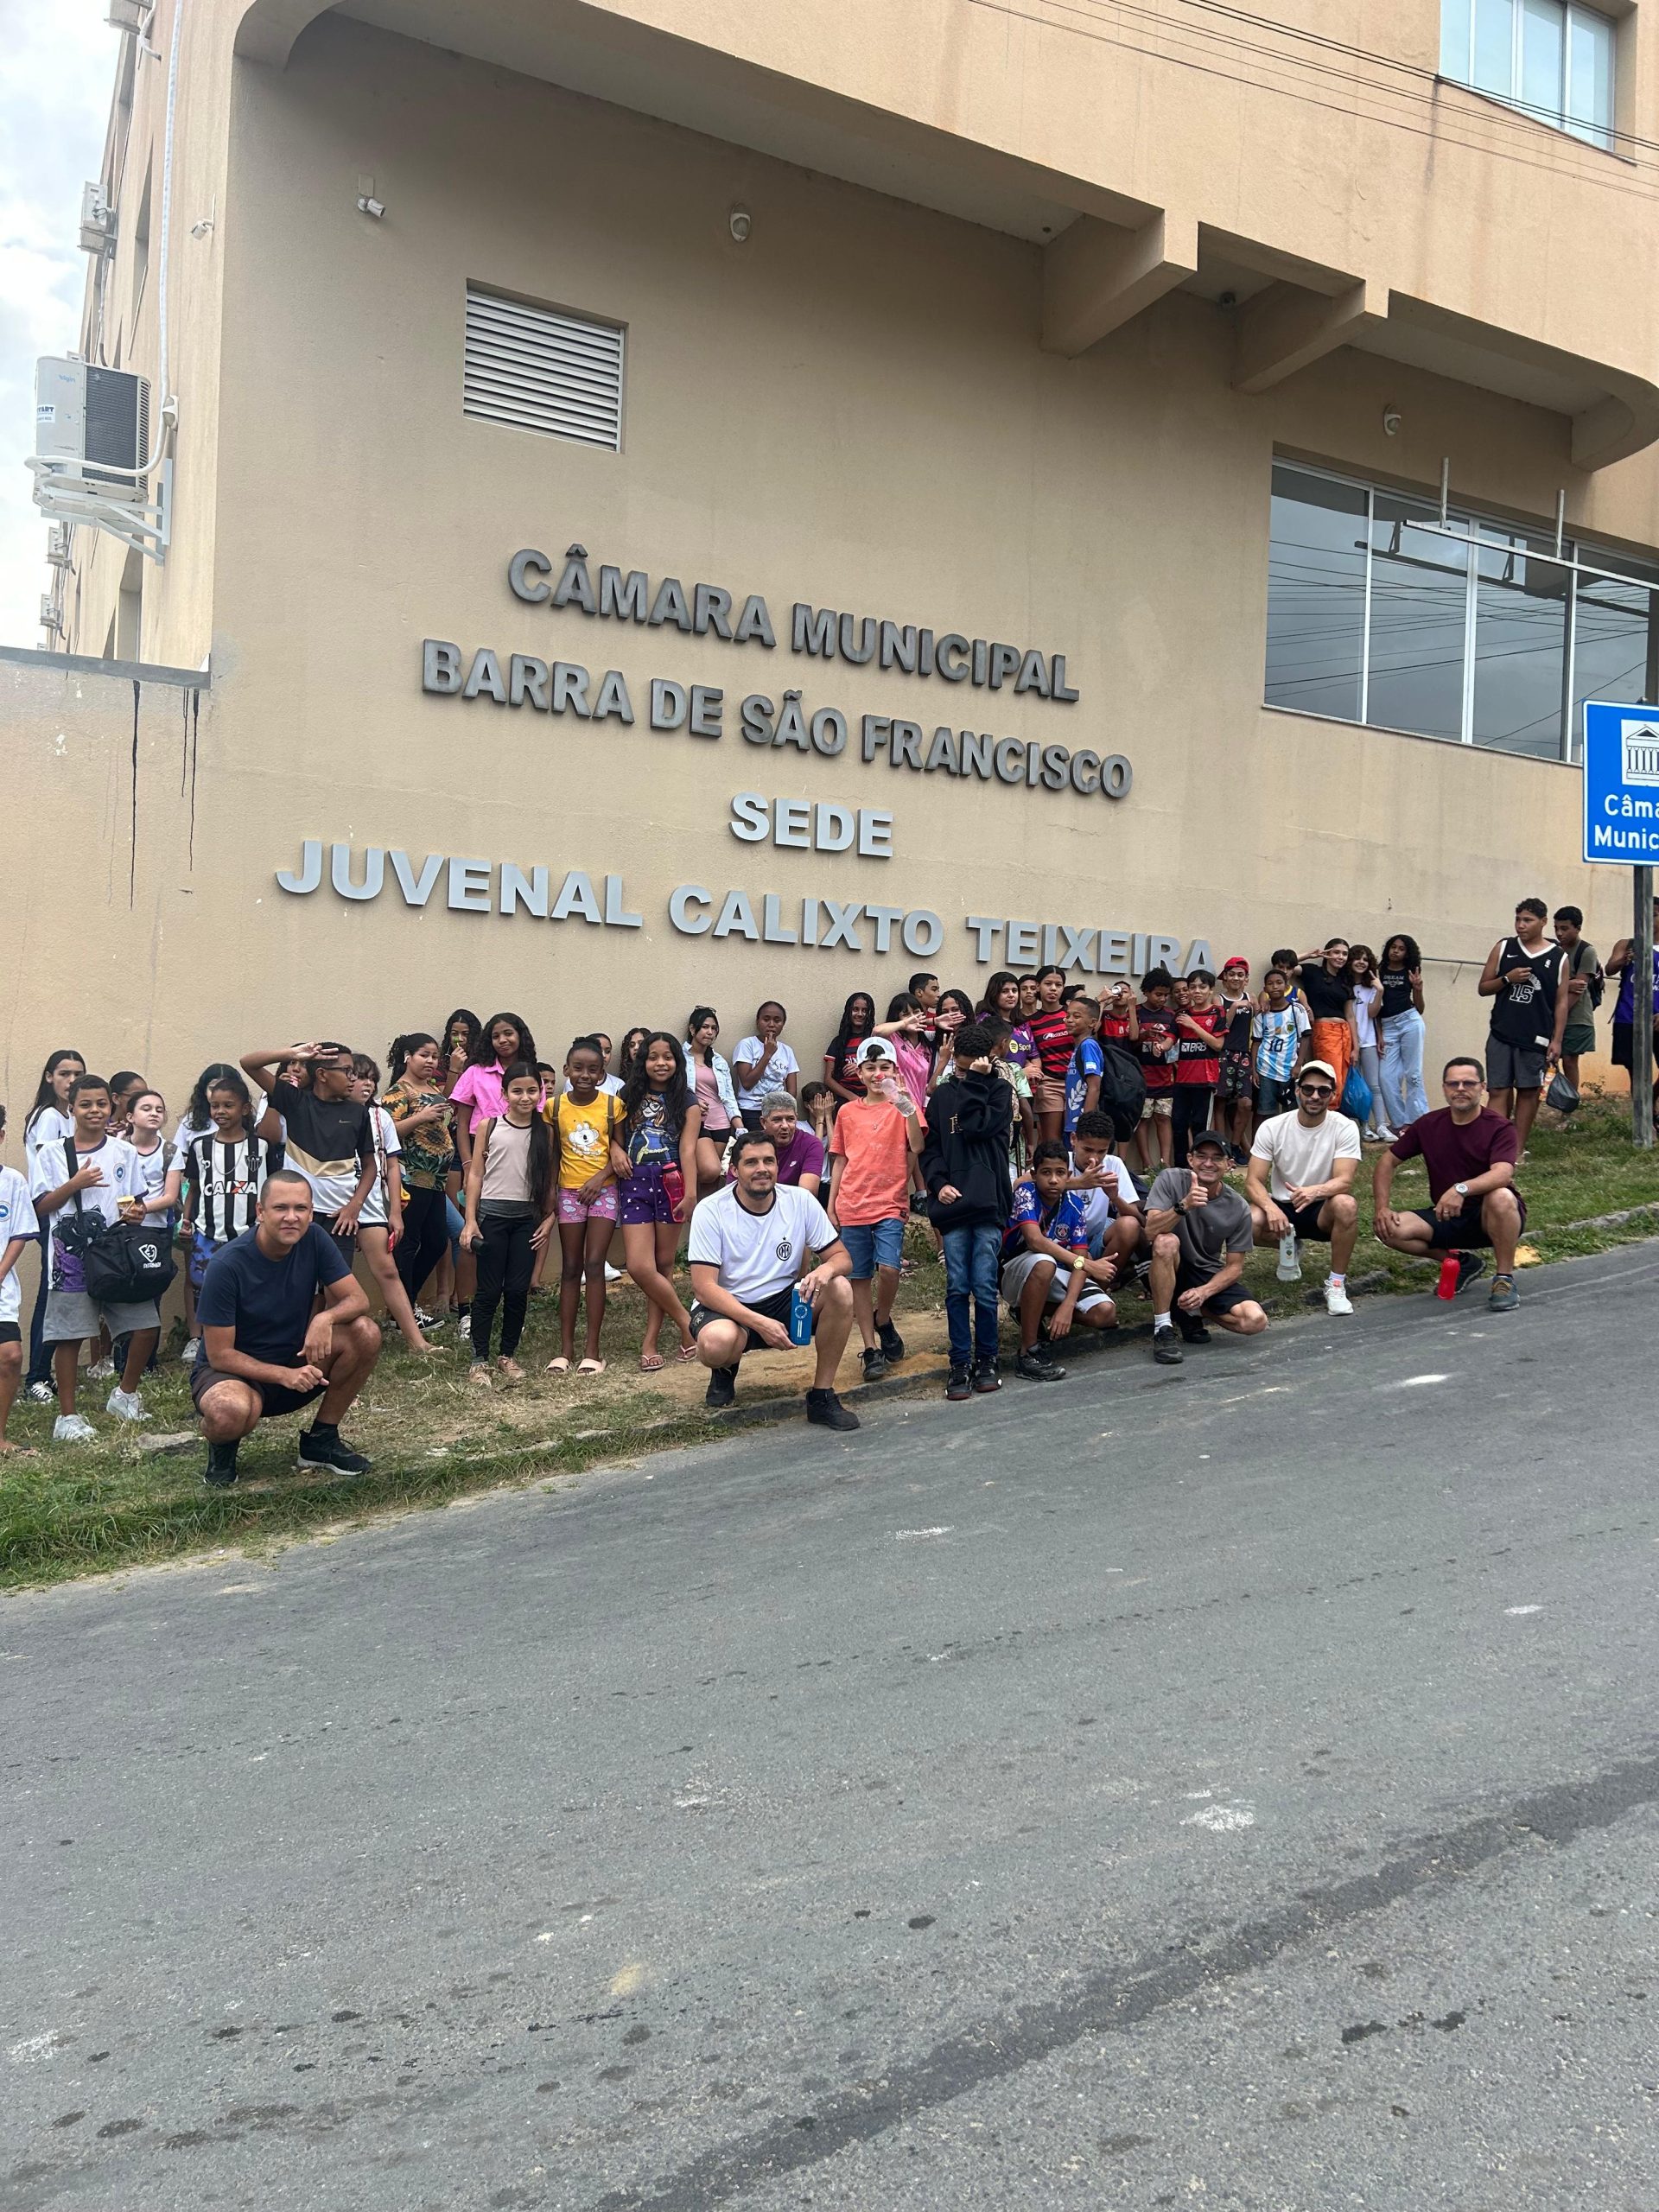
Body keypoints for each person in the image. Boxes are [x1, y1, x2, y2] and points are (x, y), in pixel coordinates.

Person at [191, 1168, 381, 1486]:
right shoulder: (226, 1265)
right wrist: (284, 1375)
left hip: (295, 1361)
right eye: (280, 1208)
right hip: (234, 1374)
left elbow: (358, 1299)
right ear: (260, 1212)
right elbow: (220, 1355)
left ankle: (321, 1440)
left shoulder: (315, 1239)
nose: (291, 1218)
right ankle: (222, 1449)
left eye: (300, 1208)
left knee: (365, 1332)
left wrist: (324, 1318)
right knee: (229, 1413)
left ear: (311, 1213)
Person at [688, 1128, 859, 1429]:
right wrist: (760, 1323)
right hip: (729, 1304)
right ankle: (725, 1368)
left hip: (784, 1298)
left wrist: (825, 1270)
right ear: (733, 1170)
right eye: (751, 1162)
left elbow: (842, 1258)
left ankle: (822, 1396)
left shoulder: (800, 1201)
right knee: (717, 1344)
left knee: (841, 1288)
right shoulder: (711, 1210)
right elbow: (704, 1288)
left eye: (769, 1161)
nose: (762, 1169)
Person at [29, 1073, 161, 1438]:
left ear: (112, 1106)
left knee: (145, 1326)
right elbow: (40, 1206)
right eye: (85, 1104)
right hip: (69, 1260)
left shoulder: (124, 1152)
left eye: (101, 1103)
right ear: (71, 1108)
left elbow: (133, 1201)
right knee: (70, 1337)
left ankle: (125, 1394)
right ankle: (67, 1417)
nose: (95, 1110)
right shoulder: (52, 1153)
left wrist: (136, 1213)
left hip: (117, 1257)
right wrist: (74, 1185)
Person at [1372, 1058, 1527, 1312]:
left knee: (1501, 1196)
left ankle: (1504, 1279)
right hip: (1447, 1215)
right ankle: (1461, 1262)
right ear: (1444, 1088)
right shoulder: (1428, 1125)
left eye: (1469, 1083)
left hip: (1490, 1216)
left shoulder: (1499, 1127)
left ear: (1483, 1087)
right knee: (1389, 1229)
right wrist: (1382, 1208)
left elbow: (1502, 1174)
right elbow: (1387, 1162)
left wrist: (1460, 1189)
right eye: (1453, 1084)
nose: (1460, 1089)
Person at [919, 1019, 1014, 1398]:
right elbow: (931, 1149)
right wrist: (938, 1183)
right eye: (959, 1069)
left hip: (988, 1202)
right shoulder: (943, 1097)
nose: (963, 1074)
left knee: (985, 1287)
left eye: (969, 1067)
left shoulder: (1000, 1091)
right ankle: (959, 1362)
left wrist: (975, 1081)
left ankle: (987, 1359)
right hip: (953, 1205)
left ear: (987, 1058)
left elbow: (975, 1127)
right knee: (958, 1286)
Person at [826, 1037, 924, 1382]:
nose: (877, 1074)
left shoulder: (904, 1106)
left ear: (895, 1071)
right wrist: (832, 1205)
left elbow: (917, 1146)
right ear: (860, 1073)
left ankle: (883, 1318)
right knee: (859, 1277)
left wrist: (906, 1105)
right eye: (870, 1068)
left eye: (884, 1068)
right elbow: (840, 1160)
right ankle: (870, 1347)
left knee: (889, 1269)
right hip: (852, 1202)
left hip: (890, 1201)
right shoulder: (847, 1112)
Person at [461, 1061, 556, 1382]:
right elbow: (476, 1175)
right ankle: (479, 1360)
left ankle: (507, 1355)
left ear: (540, 1093)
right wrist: (470, 1220)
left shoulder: (546, 1132)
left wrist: (549, 1218)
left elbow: (550, 1180)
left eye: (532, 1091)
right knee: (488, 1291)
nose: (525, 1097)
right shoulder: (488, 1126)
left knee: (517, 1290)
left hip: (527, 1220)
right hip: (492, 1217)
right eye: (517, 1091)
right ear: (504, 1094)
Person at [1245, 1059, 1362, 1314]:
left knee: (1346, 1204)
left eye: (1323, 1090)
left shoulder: (1345, 1127)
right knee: (1249, 1220)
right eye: (1308, 1089)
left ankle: (1336, 1284)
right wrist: (1270, 1208)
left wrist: (1314, 1191)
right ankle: (1290, 1245)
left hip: (1321, 1207)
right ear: (1298, 1091)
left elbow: (1345, 1180)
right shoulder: (1272, 1127)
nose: (1315, 1096)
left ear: (1333, 1095)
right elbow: (1253, 1180)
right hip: (1283, 1206)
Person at [613, 1031, 702, 1370]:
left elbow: (688, 1150)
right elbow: (614, 1138)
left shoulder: (688, 1101)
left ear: (677, 1062)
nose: (660, 1063)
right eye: (653, 1057)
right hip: (634, 1182)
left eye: (668, 1057)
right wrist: (616, 1149)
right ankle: (687, 1324)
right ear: (643, 1061)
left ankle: (650, 1340)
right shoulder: (627, 1096)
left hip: (671, 1183)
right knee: (640, 1266)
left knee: (663, 1265)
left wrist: (691, 1194)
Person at [240, 1040, 376, 1258]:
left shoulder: (358, 1112)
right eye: (347, 1071)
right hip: (297, 1215)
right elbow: (248, 1063)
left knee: (336, 1279)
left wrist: (355, 1206)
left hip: (339, 1218)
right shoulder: (295, 1101)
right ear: (322, 1075)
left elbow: (370, 1166)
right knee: (293, 1277)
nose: (353, 1078)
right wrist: (292, 1053)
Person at [999, 1141, 1120, 1381]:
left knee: (1105, 1313)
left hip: (1054, 1272)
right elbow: (1035, 1241)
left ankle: (1029, 1310)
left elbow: (1079, 1258)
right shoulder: (1026, 1193)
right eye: (1046, 1173)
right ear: (1034, 1175)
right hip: (1014, 1272)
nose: (1053, 1180)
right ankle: (1028, 1353)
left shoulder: (1075, 1206)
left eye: (1060, 1173)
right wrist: (1087, 1264)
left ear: (1069, 1176)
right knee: (1045, 1261)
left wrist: (1068, 1306)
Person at [1143, 1130, 1268, 1364]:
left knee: (1254, 1320)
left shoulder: (1238, 1206)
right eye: (1201, 1156)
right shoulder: (1170, 1179)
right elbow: (1150, 1231)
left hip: (1204, 1271)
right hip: (1167, 1261)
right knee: (1166, 1241)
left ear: (1229, 1165)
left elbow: (1234, 1267)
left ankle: (1190, 1310)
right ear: (1190, 1159)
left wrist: (1203, 1293)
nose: (1208, 1163)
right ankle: (1163, 1328)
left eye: (1217, 1158)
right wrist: (1185, 1205)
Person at [179, 1069, 280, 1353]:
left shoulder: (261, 1147)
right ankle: (201, 1341)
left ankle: (247, 1338)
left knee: (250, 1286)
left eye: (228, 1105)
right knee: (204, 1285)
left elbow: (272, 1188)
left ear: (244, 1109)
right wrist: (186, 1221)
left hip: (250, 1233)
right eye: (215, 1106)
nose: (220, 1111)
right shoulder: (200, 1147)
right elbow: (194, 1188)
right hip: (208, 1232)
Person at [546, 1034, 622, 1376]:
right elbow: (553, 1155)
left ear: (602, 1072)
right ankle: (565, 1350)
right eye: (578, 1068)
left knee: (594, 1264)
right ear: (567, 1070)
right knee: (570, 1267)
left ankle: (592, 1350)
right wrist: (550, 1192)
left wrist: (599, 1179)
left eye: (593, 1069)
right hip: (568, 1194)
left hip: (603, 1192)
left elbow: (620, 1155)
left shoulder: (613, 1106)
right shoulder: (554, 1108)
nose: (585, 1075)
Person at [349, 1055, 432, 1352]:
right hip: (335, 1204)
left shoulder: (379, 1116)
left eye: (372, 1078)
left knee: (387, 1270)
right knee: (328, 1278)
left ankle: (416, 1341)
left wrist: (395, 1211)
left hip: (372, 1203)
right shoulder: (328, 1114)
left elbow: (393, 1164)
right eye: (360, 1077)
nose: (367, 1084)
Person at [1478, 898, 1568, 1151]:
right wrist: (1507, 979)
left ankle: (1517, 1150)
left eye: (1527, 920)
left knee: (1529, 1091)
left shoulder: (1559, 957)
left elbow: (1561, 1002)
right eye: (1518, 919)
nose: (1520, 925)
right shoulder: (1504, 947)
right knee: (1498, 1090)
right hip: (1502, 1032)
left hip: (1536, 1036)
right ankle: (1496, 1148)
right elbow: (1483, 987)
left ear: (1543, 922)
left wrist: (1557, 1040)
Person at [21, 1048, 86, 1400]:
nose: (71, 1081)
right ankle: (36, 1377)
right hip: (51, 1213)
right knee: (51, 1294)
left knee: (61, 1293)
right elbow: (55, 1167)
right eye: (64, 1073)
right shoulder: (47, 1116)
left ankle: (47, 1373)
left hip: (65, 1213)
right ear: (49, 1077)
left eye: (78, 1074)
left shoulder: (66, 1115)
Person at [382, 1033, 456, 1316]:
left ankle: (405, 1303)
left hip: (435, 1182)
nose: (431, 1061)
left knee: (436, 1242)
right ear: (407, 1057)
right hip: (411, 1179)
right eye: (424, 1055)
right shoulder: (398, 1093)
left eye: (435, 1056)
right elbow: (386, 1133)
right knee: (408, 1243)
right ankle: (402, 1311)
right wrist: (421, 1118)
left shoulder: (433, 1088)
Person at [448, 1013, 542, 1176]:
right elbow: (462, 1124)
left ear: (520, 1036)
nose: (502, 1040)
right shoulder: (475, 1072)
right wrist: (468, 1164)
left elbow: (538, 1117)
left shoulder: (531, 1074)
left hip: (522, 1148)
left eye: (508, 1033)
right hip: (480, 1148)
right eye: (496, 1036)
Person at [0, 1104, 40, 1454]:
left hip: (1, 1288)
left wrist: (0, 1272)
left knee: (10, 1357)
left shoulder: (12, 1181)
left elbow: (19, 1234)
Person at [1066, 1108, 1144, 1278]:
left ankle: (1101, 1286)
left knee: (1129, 1225)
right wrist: (1077, 1183)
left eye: (1102, 1151)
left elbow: (1138, 1219)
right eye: (1087, 1149)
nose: (1094, 1158)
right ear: (1073, 1139)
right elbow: (1022, 1183)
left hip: (1096, 1238)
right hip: (1063, 1241)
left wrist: (1115, 1198)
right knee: (1082, 1257)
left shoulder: (1114, 1163)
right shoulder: (1060, 1161)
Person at [1606, 893, 1659, 1110]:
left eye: (1653, 914)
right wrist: (1624, 958)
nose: (1648, 918)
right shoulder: (1628, 944)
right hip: (1630, 1016)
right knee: (1636, 1071)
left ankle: (1651, 1101)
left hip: (1656, 1017)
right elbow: (1609, 969)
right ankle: (1646, 1117)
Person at [682, 1007, 741, 1192]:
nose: (710, 1032)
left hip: (721, 1123)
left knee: (712, 1181)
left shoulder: (718, 1060)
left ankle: (701, 1210)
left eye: (714, 1028)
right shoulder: (680, 1057)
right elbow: (674, 1089)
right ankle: (686, 1196)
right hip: (697, 1121)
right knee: (710, 1169)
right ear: (693, 1029)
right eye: (705, 1027)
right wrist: (692, 1103)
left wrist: (739, 1127)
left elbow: (729, 1096)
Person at [1376, 934, 1428, 1133]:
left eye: (1401, 949)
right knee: (1386, 1077)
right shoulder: (1379, 971)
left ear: (1407, 953)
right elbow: (1376, 1009)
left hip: (1409, 1022)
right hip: (1388, 1026)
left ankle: (1417, 1121)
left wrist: (1418, 989)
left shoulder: (1410, 972)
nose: (1396, 951)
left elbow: (1420, 1009)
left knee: (1413, 1074)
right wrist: (1379, 1035)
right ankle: (1399, 1123)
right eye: (1393, 947)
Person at [1171, 968, 1224, 1167]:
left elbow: (1217, 1045)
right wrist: (1162, 1046)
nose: (1197, 991)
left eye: (1202, 987)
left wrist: (1194, 1026)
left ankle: (1201, 1168)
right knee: (1178, 1124)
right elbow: (1171, 1038)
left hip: (1205, 1080)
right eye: (1193, 987)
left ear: (1211, 990)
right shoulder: (1182, 1014)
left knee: (1200, 1126)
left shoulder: (1217, 1012)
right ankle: (1180, 1167)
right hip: (1182, 1079)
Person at [1344, 945, 1393, 1141]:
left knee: (1374, 1086)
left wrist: (1379, 990)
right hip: (1348, 1043)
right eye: (1357, 958)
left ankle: (1381, 1125)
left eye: (1365, 959)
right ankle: (1364, 1127)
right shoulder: (1344, 985)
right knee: (1355, 1088)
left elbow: (1373, 1014)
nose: (1361, 962)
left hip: (1369, 1041)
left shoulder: (1371, 987)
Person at [1552, 906, 1602, 1099]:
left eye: (1564, 928)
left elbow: (1578, 989)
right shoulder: (1553, 950)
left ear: (1578, 928)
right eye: (1556, 928)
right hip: (1552, 1013)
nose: (1559, 933)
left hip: (1576, 1017)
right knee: (1549, 1060)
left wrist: (1558, 1016)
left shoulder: (1586, 951)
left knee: (1570, 1061)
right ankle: (1550, 1099)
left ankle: (1569, 1105)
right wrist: (1566, 984)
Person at [1298, 938, 1355, 1099]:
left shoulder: (1345, 979)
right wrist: (1310, 955)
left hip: (1344, 1032)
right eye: (1336, 952)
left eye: (1344, 954)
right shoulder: (1313, 972)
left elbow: (1350, 1015)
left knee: (1342, 1079)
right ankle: (1328, 1110)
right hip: (1325, 1030)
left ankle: (1334, 1112)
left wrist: (1356, 1047)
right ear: (1327, 954)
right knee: (1332, 1078)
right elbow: (1285, 963)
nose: (1340, 957)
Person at [1134, 966, 1179, 1173]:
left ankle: (1165, 1163)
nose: (1162, 999)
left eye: (1166, 995)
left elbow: (1175, 1044)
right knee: (1143, 1120)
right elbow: (1130, 1042)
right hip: (1142, 1076)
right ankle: (1146, 1164)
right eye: (1158, 994)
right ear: (1146, 992)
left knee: (1163, 1118)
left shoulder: (1171, 1015)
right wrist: (1145, 1035)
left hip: (1165, 1077)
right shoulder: (1136, 1012)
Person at [1250, 967, 1309, 1121]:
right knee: (1266, 1112)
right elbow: (1256, 1043)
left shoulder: (1296, 1010)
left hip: (1289, 1069)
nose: (1275, 987)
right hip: (1265, 1069)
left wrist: (1298, 1064)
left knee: (1292, 1112)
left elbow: (1305, 1037)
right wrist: (1254, 1070)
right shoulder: (1261, 1015)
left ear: (1286, 986)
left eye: (1279, 983)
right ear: (1265, 989)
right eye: (1270, 984)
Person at [732, 1001, 799, 1130]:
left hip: (778, 1112)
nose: (771, 1024)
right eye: (766, 1019)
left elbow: (792, 1092)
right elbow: (747, 1083)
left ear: (783, 1024)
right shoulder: (747, 1045)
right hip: (751, 1110)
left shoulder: (787, 1051)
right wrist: (767, 1054)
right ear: (758, 1022)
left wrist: (784, 1113)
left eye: (777, 1020)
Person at [1214, 958, 1255, 1162]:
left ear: (1246, 979)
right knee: (1220, 1103)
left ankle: (1235, 1145)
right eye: (1232, 974)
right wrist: (1236, 1006)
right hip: (1223, 1054)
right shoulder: (1218, 999)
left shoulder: (1251, 997)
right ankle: (1222, 1149)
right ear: (1225, 978)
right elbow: (1222, 1026)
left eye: (1240, 975)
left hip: (1244, 1055)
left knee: (1245, 1103)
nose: (1236, 978)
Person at [1027, 964, 1073, 1143]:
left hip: (1076, 1082)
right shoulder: (1030, 1022)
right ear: (1038, 987)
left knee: (1075, 1138)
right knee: (1052, 1141)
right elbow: (1029, 1054)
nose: (1053, 989)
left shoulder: (1071, 1015)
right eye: (1048, 984)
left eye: (1058, 985)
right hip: (1049, 1084)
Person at [747, 1090, 825, 1195]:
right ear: (764, 1122)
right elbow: (734, 1189)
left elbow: (807, 1194)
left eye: (790, 1119)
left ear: (797, 1118)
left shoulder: (811, 1144)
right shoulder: (748, 1146)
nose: (785, 1126)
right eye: (777, 1120)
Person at [822, 991, 877, 1106]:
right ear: (848, 1011)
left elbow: (885, 1070)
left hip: (873, 1096)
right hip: (846, 1098)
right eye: (855, 1009)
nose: (860, 1014)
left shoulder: (875, 1040)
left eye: (864, 1010)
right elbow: (828, 1079)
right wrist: (853, 1098)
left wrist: (861, 1067)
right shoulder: (838, 1042)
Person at [1063, 995, 1104, 1139]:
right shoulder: (1078, 1047)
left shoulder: (1088, 1046)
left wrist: (1086, 1126)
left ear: (1092, 1023)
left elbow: (1094, 1087)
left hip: (1081, 1127)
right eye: (1067, 1016)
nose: (1069, 1020)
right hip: (1072, 1124)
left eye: (1076, 1016)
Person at [799, 1080, 837, 1154]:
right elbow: (815, 1153)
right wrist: (820, 1118)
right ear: (807, 1105)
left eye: (827, 1102)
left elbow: (834, 1153)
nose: (823, 1107)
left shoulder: (835, 1129)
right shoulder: (800, 1128)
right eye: (819, 1102)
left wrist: (828, 1117)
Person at [107, 1071, 147, 1135]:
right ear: (116, 1098)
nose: (144, 1101)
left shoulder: (147, 1127)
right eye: (137, 1095)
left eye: (146, 1096)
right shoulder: (101, 1127)